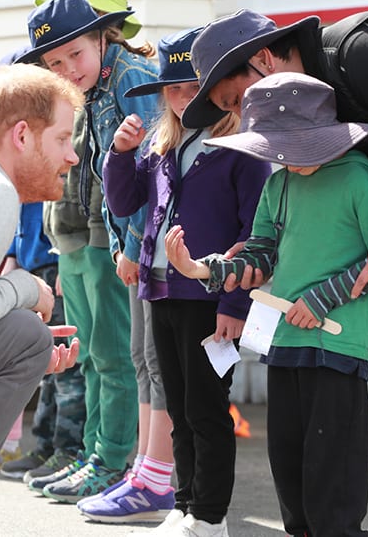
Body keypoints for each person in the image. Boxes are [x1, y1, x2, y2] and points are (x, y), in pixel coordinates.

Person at [165, 71, 368, 537]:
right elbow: (260, 255)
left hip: (340, 348)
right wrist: (201, 269)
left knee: (333, 481)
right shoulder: (279, 184)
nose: (282, 158)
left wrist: (321, 299)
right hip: (283, 342)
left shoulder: (358, 178)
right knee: (289, 475)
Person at [103, 26, 270, 537]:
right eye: (172, 89)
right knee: (178, 405)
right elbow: (125, 203)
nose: (181, 98)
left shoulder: (241, 150)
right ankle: (184, 502)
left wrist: (234, 305)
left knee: (207, 409)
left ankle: (211, 515)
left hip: (210, 295)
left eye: (192, 87)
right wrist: (120, 152)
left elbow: (253, 232)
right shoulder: (161, 148)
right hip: (160, 292)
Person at [17, 0, 160, 505]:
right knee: (98, 355)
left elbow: (149, 169)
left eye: (74, 53)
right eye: (54, 63)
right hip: (101, 238)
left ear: (105, 35)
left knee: (119, 356)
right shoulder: (93, 87)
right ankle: (98, 452)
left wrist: (131, 244)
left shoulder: (129, 77)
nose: (67, 68)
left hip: (130, 244)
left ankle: (116, 457)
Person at [181, 7, 368, 298]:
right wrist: (270, 248)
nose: (245, 118)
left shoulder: (361, 53)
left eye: (237, 100)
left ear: (264, 59)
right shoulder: (305, 124)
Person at [0, 62, 84, 537]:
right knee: (27, 333)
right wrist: (28, 287)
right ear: (22, 135)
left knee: (24, 339)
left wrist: (8, 358)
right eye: (63, 139)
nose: (72, 157)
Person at [0, 202, 86, 481]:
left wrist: (65, 260)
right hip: (30, 267)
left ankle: (68, 448)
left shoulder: (54, 161)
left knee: (66, 364)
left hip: (57, 263)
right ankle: (45, 446)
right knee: (43, 363)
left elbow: (71, 207)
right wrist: (13, 256)